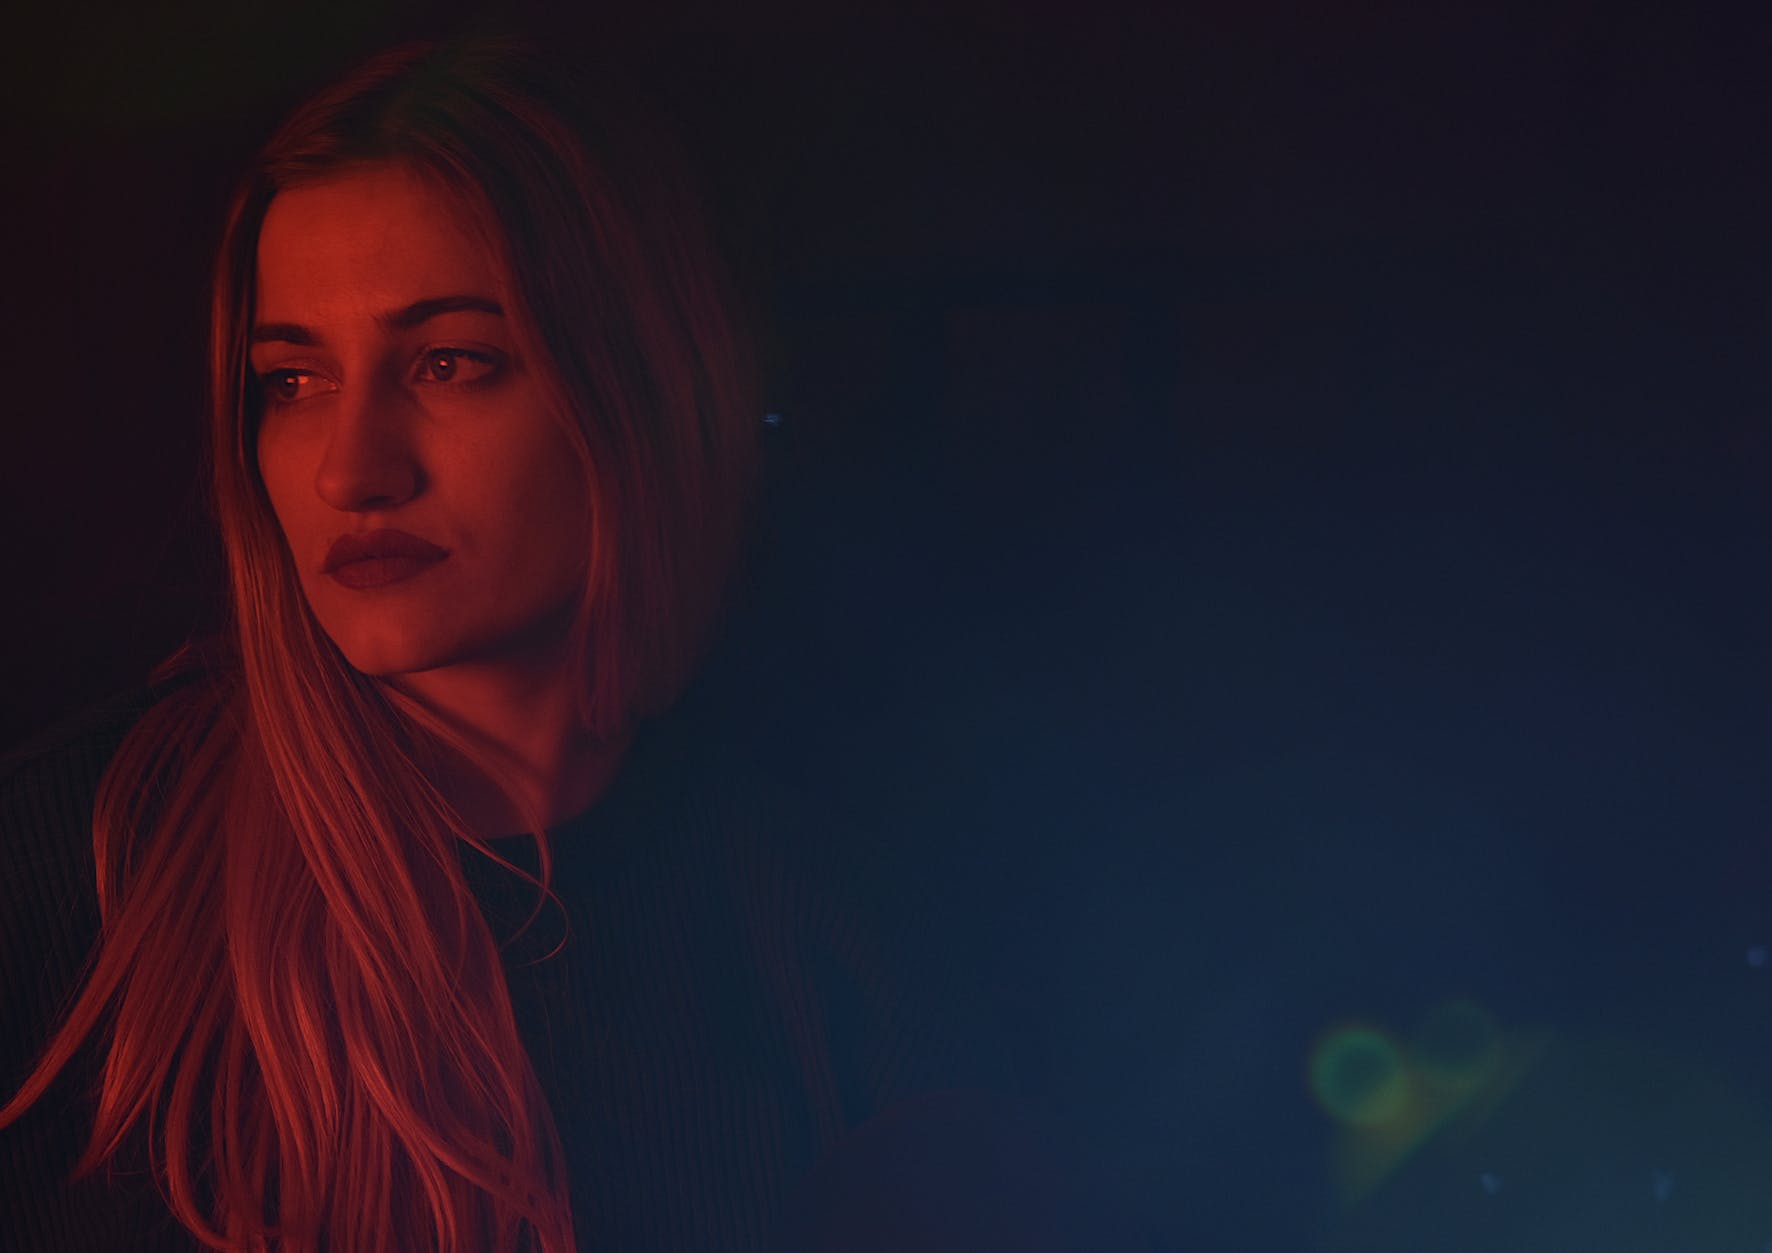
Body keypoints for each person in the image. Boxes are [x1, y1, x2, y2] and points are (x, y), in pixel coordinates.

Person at [0, 35, 1060, 1253]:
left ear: (635, 389)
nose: (351, 469)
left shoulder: (840, 939)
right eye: (292, 379)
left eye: (449, 362)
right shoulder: (72, 868)